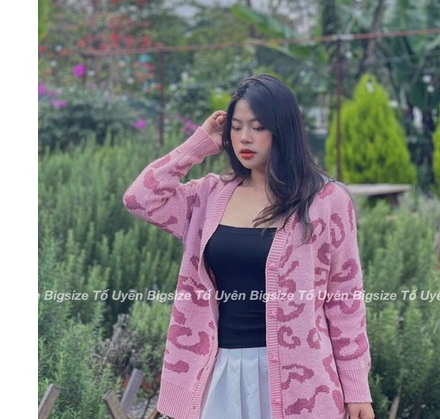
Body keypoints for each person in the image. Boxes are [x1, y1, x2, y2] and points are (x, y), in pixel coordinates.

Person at [123, 74, 374, 419]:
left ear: (282, 130)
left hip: (300, 381)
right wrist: (198, 145)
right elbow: (139, 199)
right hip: (219, 374)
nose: (244, 138)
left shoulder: (326, 201)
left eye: (258, 127)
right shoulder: (208, 197)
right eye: (236, 127)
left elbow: (346, 299)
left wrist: (357, 389)